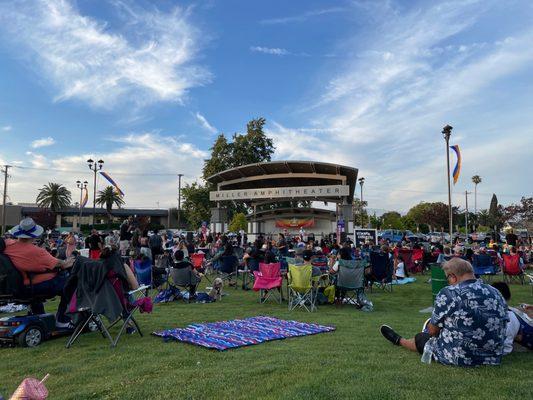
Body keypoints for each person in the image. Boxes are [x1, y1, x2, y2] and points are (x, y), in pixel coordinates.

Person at [380, 258, 508, 366]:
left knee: (422, 337)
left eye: (447, 278)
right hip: (493, 356)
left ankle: (399, 340)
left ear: (452, 276)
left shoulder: (449, 292)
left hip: (462, 357)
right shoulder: (495, 292)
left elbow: (433, 331)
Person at [4, 218, 75, 327]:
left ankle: (40, 315)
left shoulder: (7, 245)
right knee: (69, 284)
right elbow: (60, 264)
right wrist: (69, 262)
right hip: (30, 285)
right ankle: (62, 320)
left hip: (16, 285)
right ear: (34, 234)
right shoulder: (36, 252)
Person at [491, 282, 520, 355]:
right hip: (506, 348)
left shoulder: (491, 314)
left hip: (496, 351)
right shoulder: (513, 314)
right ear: (509, 297)